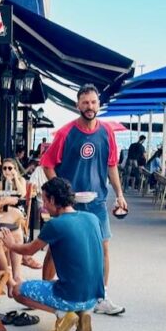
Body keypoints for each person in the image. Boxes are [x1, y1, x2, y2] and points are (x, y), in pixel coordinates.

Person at [40, 84, 127, 315]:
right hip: (69, 202)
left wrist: (119, 194)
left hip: (97, 201)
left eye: (93, 102)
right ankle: (48, 293)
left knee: (102, 247)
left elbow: (111, 165)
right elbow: (47, 164)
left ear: (99, 105)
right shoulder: (66, 132)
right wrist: (60, 193)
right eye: (85, 102)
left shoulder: (106, 131)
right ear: (77, 105)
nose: (90, 107)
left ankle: (101, 296)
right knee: (55, 248)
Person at [0, 177, 104, 331]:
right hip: (93, 297)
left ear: (53, 199)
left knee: (17, 290)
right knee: (56, 257)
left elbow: (29, 250)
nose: (44, 205)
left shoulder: (55, 225)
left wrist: (11, 244)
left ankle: (63, 313)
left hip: (71, 295)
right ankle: (83, 315)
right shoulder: (92, 218)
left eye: (45, 200)